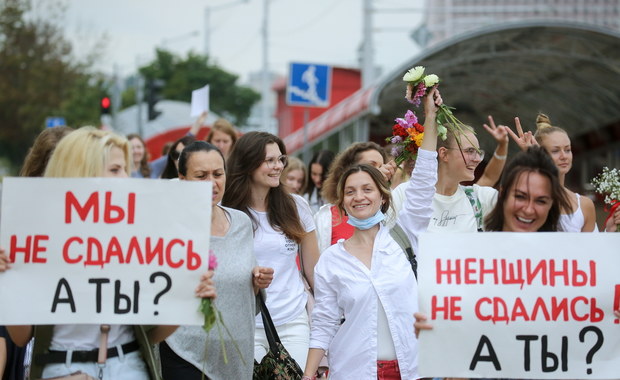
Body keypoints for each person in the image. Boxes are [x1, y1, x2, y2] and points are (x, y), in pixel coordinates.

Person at [0, 127, 216, 380]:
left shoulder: (140, 235)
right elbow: (21, 336)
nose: (126, 177)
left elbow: (152, 334)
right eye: (115, 169)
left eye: (125, 168)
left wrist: (187, 300)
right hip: (64, 368)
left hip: (128, 367)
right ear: (84, 171)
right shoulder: (39, 235)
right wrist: (8, 282)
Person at [302, 87, 442, 380]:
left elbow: (426, 175)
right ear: (342, 201)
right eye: (350, 192)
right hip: (353, 371)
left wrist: (430, 116)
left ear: (382, 195)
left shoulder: (405, 235)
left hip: (411, 370)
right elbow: (325, 323)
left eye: (367, 189)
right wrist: (308, 374)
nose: (359, 197)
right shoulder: (331, 260)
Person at [160, 141, 273, 380]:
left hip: (235, 353)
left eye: (218, 174)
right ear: (182, 180)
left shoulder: (241, 223)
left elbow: (245, 290)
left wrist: (257, 281)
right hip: (183, 353)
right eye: (201, 176)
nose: (212, 183)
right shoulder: (167, 227)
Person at [222, 132, 320, 369]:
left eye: (280, 159)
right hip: (245, 323)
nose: (278, 167)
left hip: (292, 320)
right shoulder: (226, 212)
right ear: (247, 164)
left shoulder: (296, 206)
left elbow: (315, 272)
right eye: (269, 161)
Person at [507, 113, 597, 232]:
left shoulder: (585, 205)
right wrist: (536, 159)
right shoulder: (527, 201)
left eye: (568, 150)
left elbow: (591, 248)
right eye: (555, 151)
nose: (564, 156)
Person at [315, 142, 397, 253]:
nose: (379, 172)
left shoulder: (392, 213)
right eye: (371, 166)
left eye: (381, 166)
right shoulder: (325, 217)